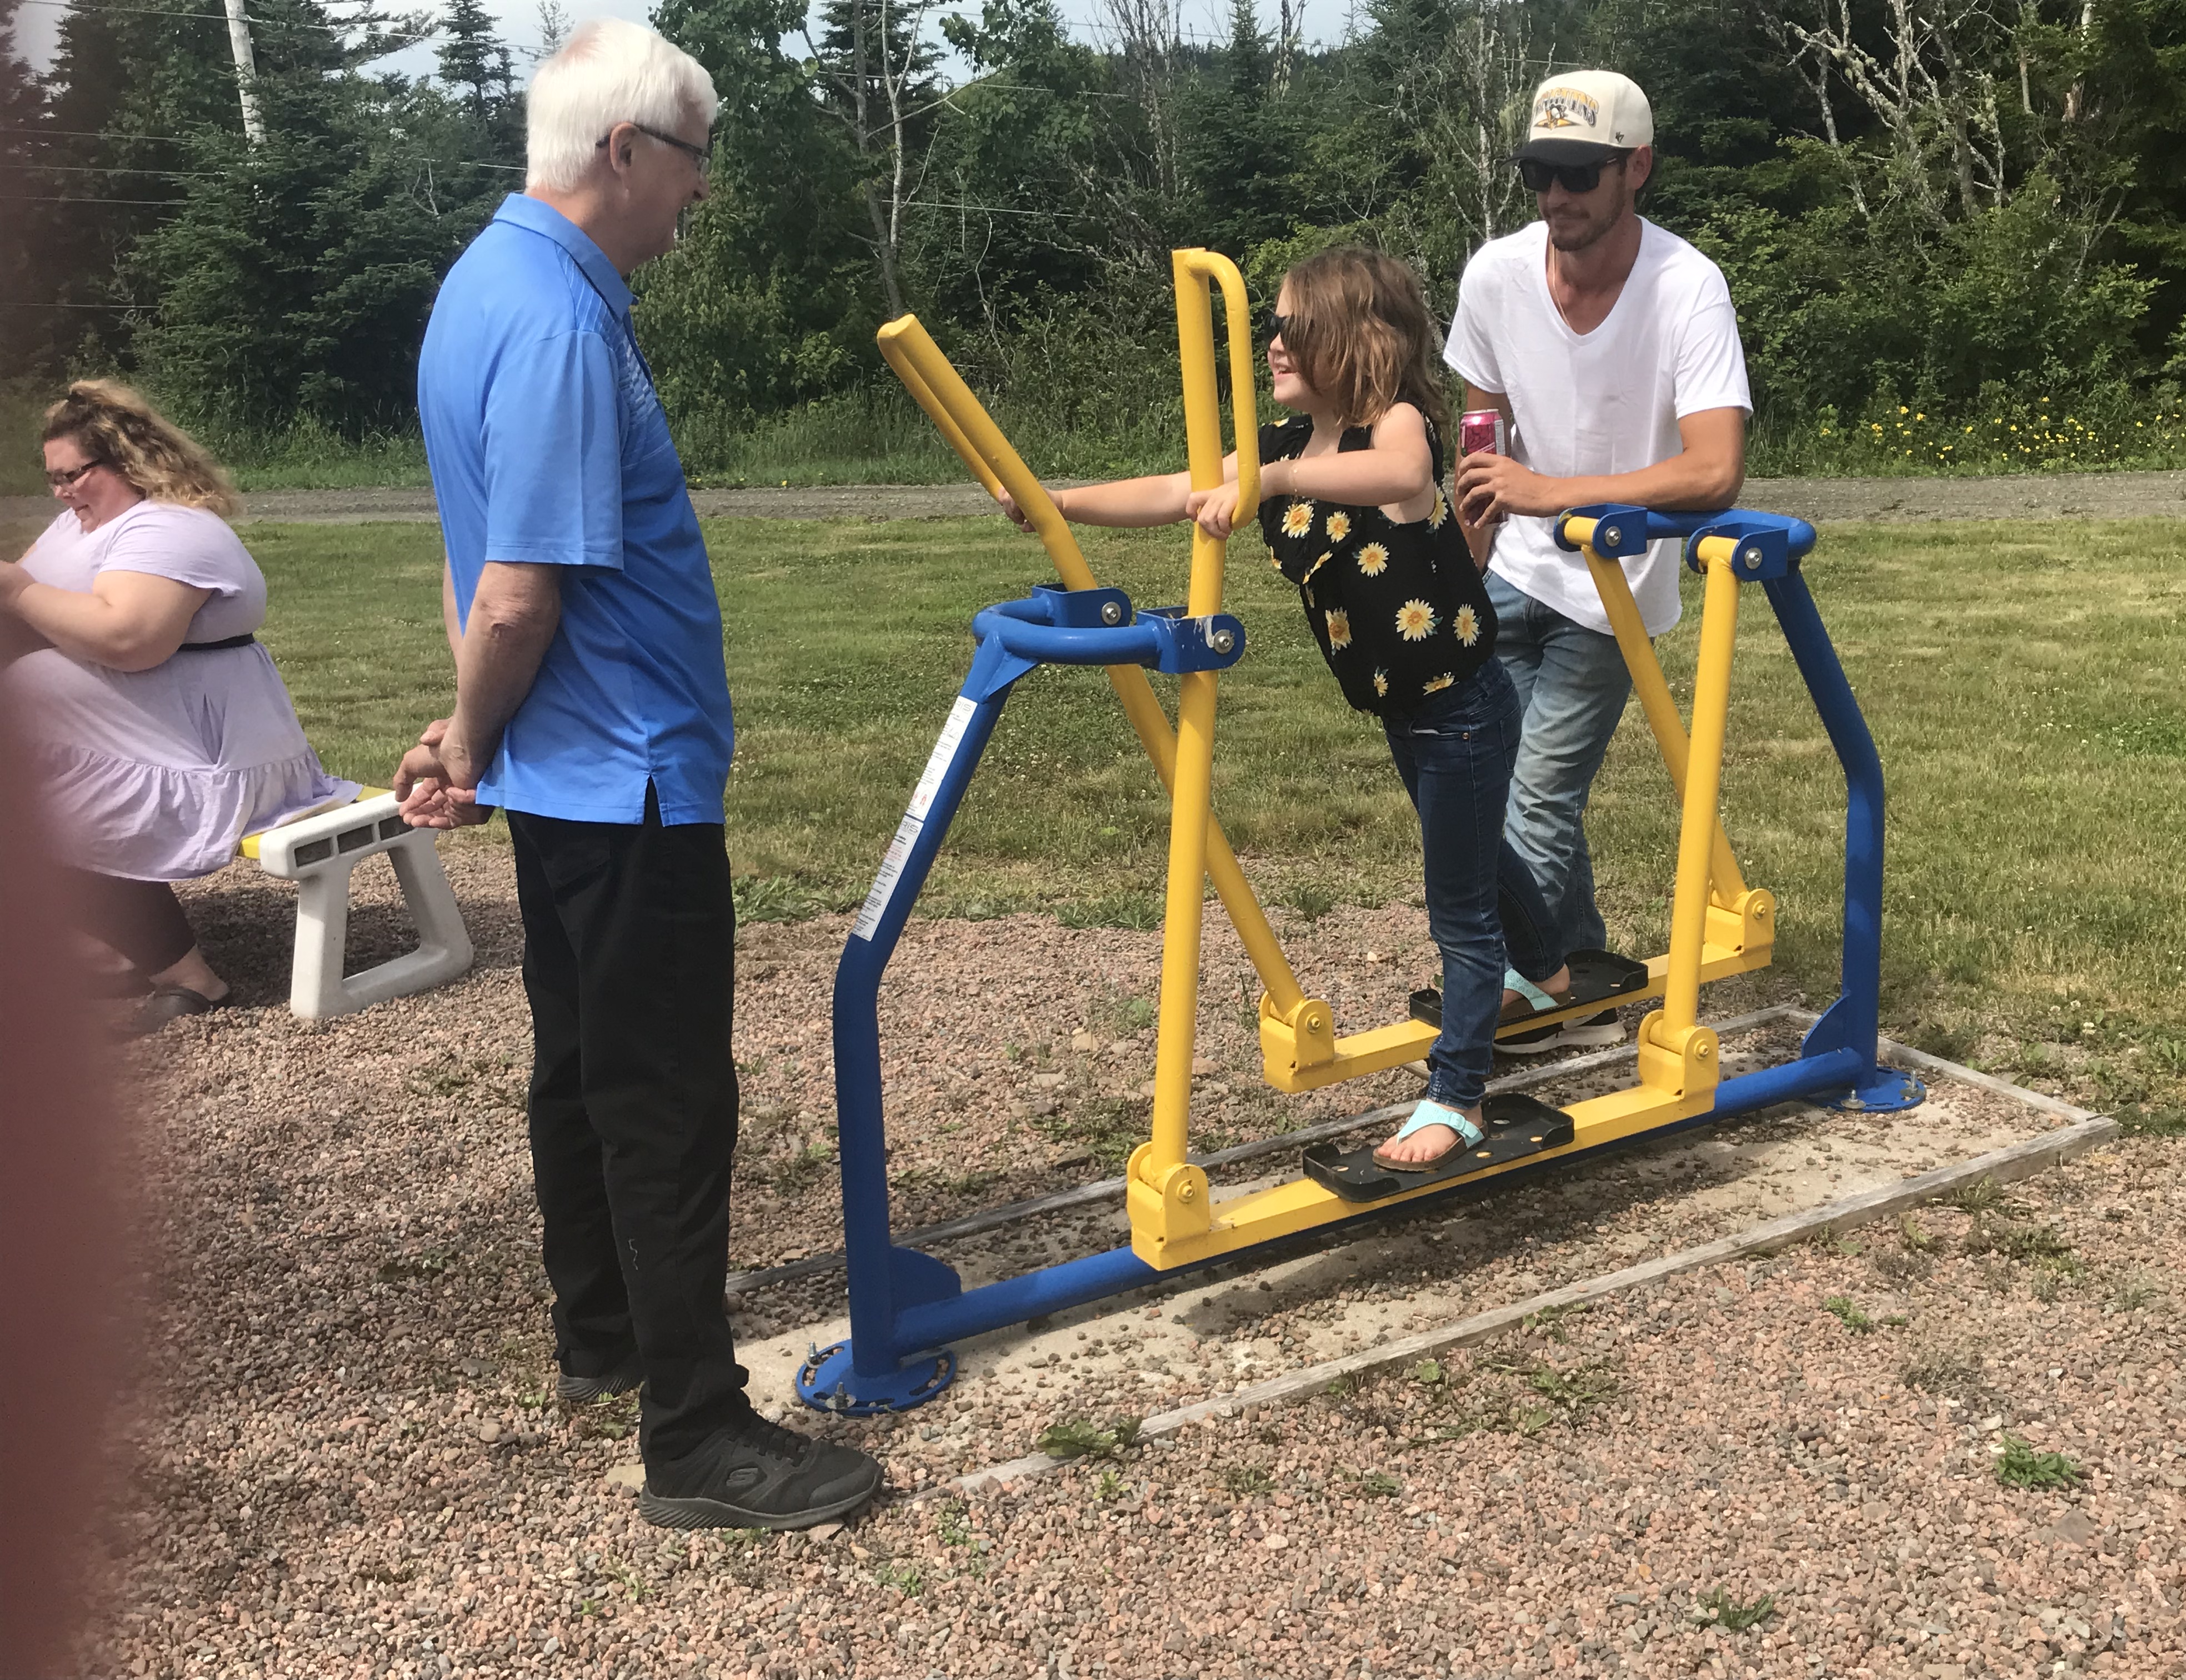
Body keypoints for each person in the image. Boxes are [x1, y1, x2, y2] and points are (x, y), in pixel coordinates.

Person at [394, 18, 880, 1531]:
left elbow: (489, 570)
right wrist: (470, 737)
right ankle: (695, 1438)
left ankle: (603, 1339)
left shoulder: (491, 284)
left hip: (574, 771)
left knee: (584, 1071)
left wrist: (472, 724)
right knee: (664, 1098)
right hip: (628, 781)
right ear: (624, 153)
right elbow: (520, 591)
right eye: (693, 163)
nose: (701, 193)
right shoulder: (552, 321)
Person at [1001, 245, 1579, 1171]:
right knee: (1470, 853)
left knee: (1458, 908)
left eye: (1290, 326)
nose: (1270, 344)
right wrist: (1057, 502)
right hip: (1406, 706)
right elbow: (1174, 490)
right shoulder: (1273, 447)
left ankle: (1458, 1091)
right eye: (1267, 324)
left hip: (1462, 700)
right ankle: (1546, 966)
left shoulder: (1394, 428)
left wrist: (1269, 484)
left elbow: (1396, 481)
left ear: (1355, 339)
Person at [1445, 71, 1752, 1051]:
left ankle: (1508, 986)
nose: (1555, 197)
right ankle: (1570, 973)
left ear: (1637, 168)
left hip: (1612, 588)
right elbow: (1481, 434)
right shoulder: (1494, 275)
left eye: (1578, 173)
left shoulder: (1686, 286)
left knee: (1532, 798)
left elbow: (1714, 469)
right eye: (1538, 172)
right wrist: (1465, 560)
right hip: (1509, 574)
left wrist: (1551, 493)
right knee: (1486, 778)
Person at [0, 381, 358, 1035]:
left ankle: (189, 977)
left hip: (205, 753)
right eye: (52, 480)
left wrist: (19, 592)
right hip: (132, 739)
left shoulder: (173, 529)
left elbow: (130, 638)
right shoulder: (79, 526)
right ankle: (108, 946)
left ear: (130, 464)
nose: (62, 492)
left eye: (73, 476)